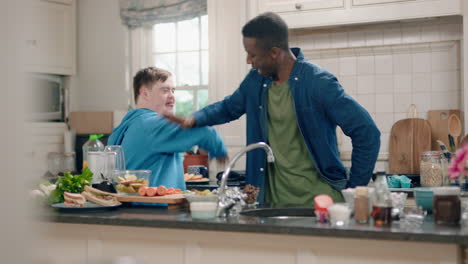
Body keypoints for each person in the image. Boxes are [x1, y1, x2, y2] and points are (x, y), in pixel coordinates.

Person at [166, 12, 380, 206]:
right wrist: (194, 119)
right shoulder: (256, 81)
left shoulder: (318, 82)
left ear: (275, 53)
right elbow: (229, 107)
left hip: (319, 204)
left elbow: (367, 133)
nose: (248, 60)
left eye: (253, 54)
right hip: (269, 203)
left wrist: (354, 191)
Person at [108, 67, 227, 191]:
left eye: (173, 90)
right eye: (165, 90)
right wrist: (219, 150)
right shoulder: (151, 124)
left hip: (132, 205)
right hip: (156, 207)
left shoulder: (129, 125)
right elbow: (206, 133)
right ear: (145, 93)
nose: (172, 97)